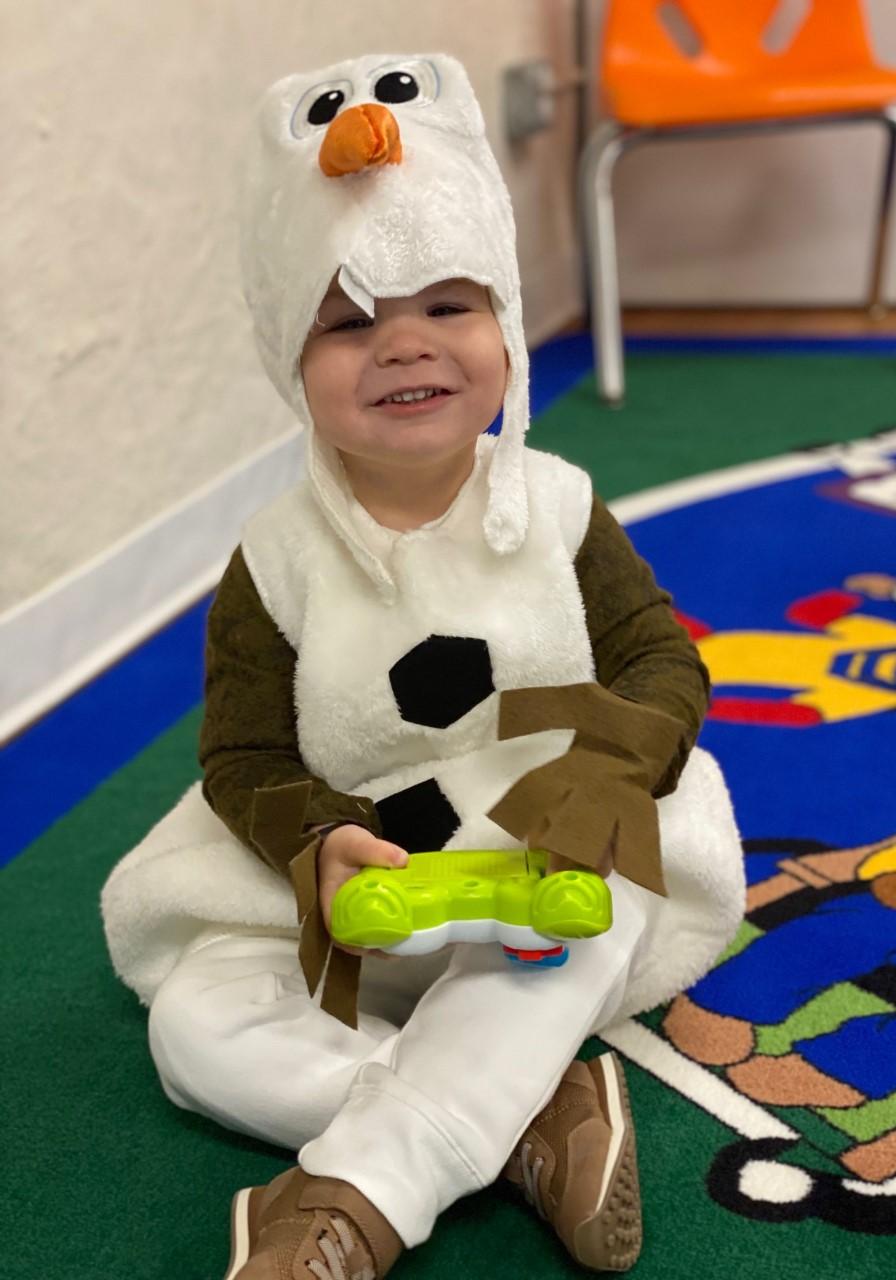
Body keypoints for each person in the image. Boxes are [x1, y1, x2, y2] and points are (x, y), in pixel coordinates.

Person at [101, 53, 744, 1279]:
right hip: (359, 900)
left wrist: (614, 768)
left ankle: (353, 1198)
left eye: (447, 307)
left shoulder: (558, 509)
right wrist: (316, 839)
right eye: (349, 323)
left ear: (503, 324)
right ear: (288, 359)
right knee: (193, 1029)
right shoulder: (274, 560)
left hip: (533, 879)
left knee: (604, 916)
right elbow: (239, 751)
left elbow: (661, 659)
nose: (405, 347)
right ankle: (522, 1124)